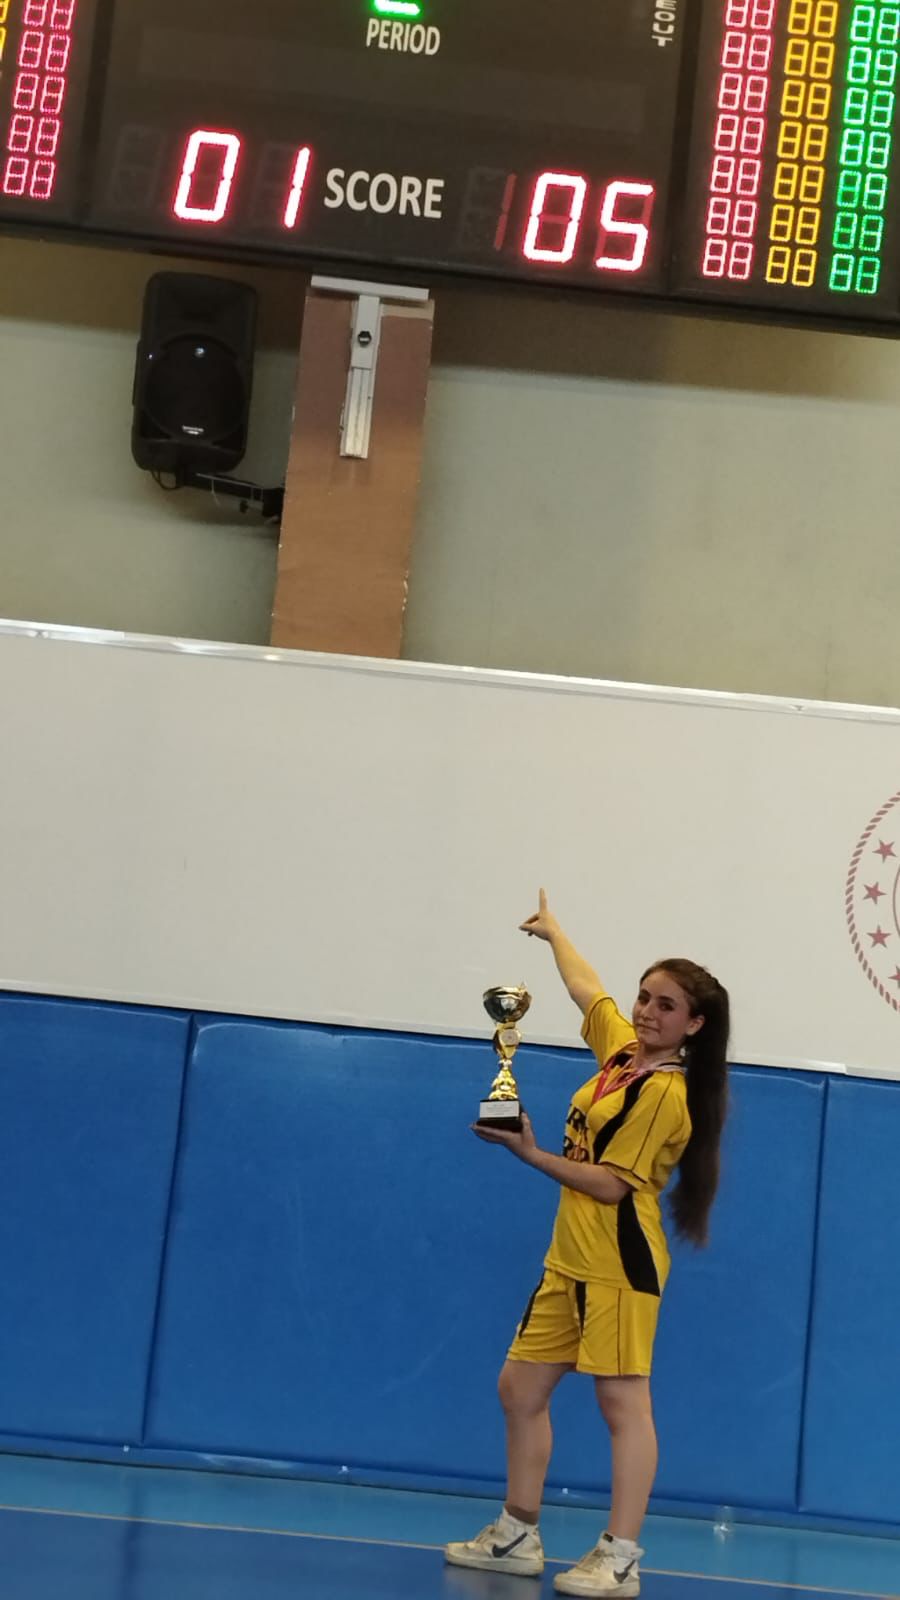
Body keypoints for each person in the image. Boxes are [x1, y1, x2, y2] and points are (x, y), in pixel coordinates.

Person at [445, 890, 730, 1598]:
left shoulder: (664, 1094)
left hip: (619, 1265)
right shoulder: (623, 1055)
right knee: (520, 1388)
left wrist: (530, 1153)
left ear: (694, 1025)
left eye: (667, 1006)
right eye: (646, 998)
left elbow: (609, 1186)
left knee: (622, 1405)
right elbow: (587, 991)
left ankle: (622, 1554)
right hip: (568, 1259)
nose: (648, 1012)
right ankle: (518, 1532)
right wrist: (554, 933)